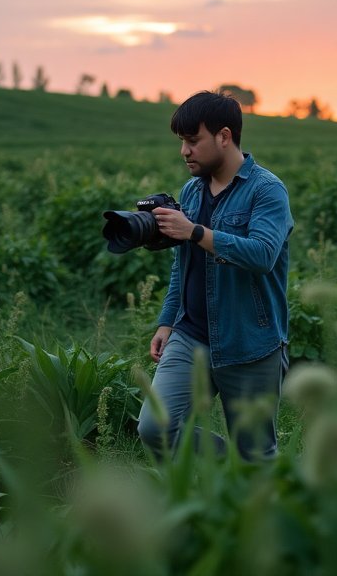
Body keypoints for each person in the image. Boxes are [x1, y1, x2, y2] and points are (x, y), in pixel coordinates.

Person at [136, 91, 293, 461]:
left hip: (249, 341)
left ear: (224, 136)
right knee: (155, 428)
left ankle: (249, 483)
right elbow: (183, 266)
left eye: (193, 141)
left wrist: (194, 231)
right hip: (189, 335)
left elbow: (262, 255)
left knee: (256, 453)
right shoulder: (191, 190)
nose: (185, 151)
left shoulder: (267, 191)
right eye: (182, 143)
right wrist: (166, 321)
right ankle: (225, 467)